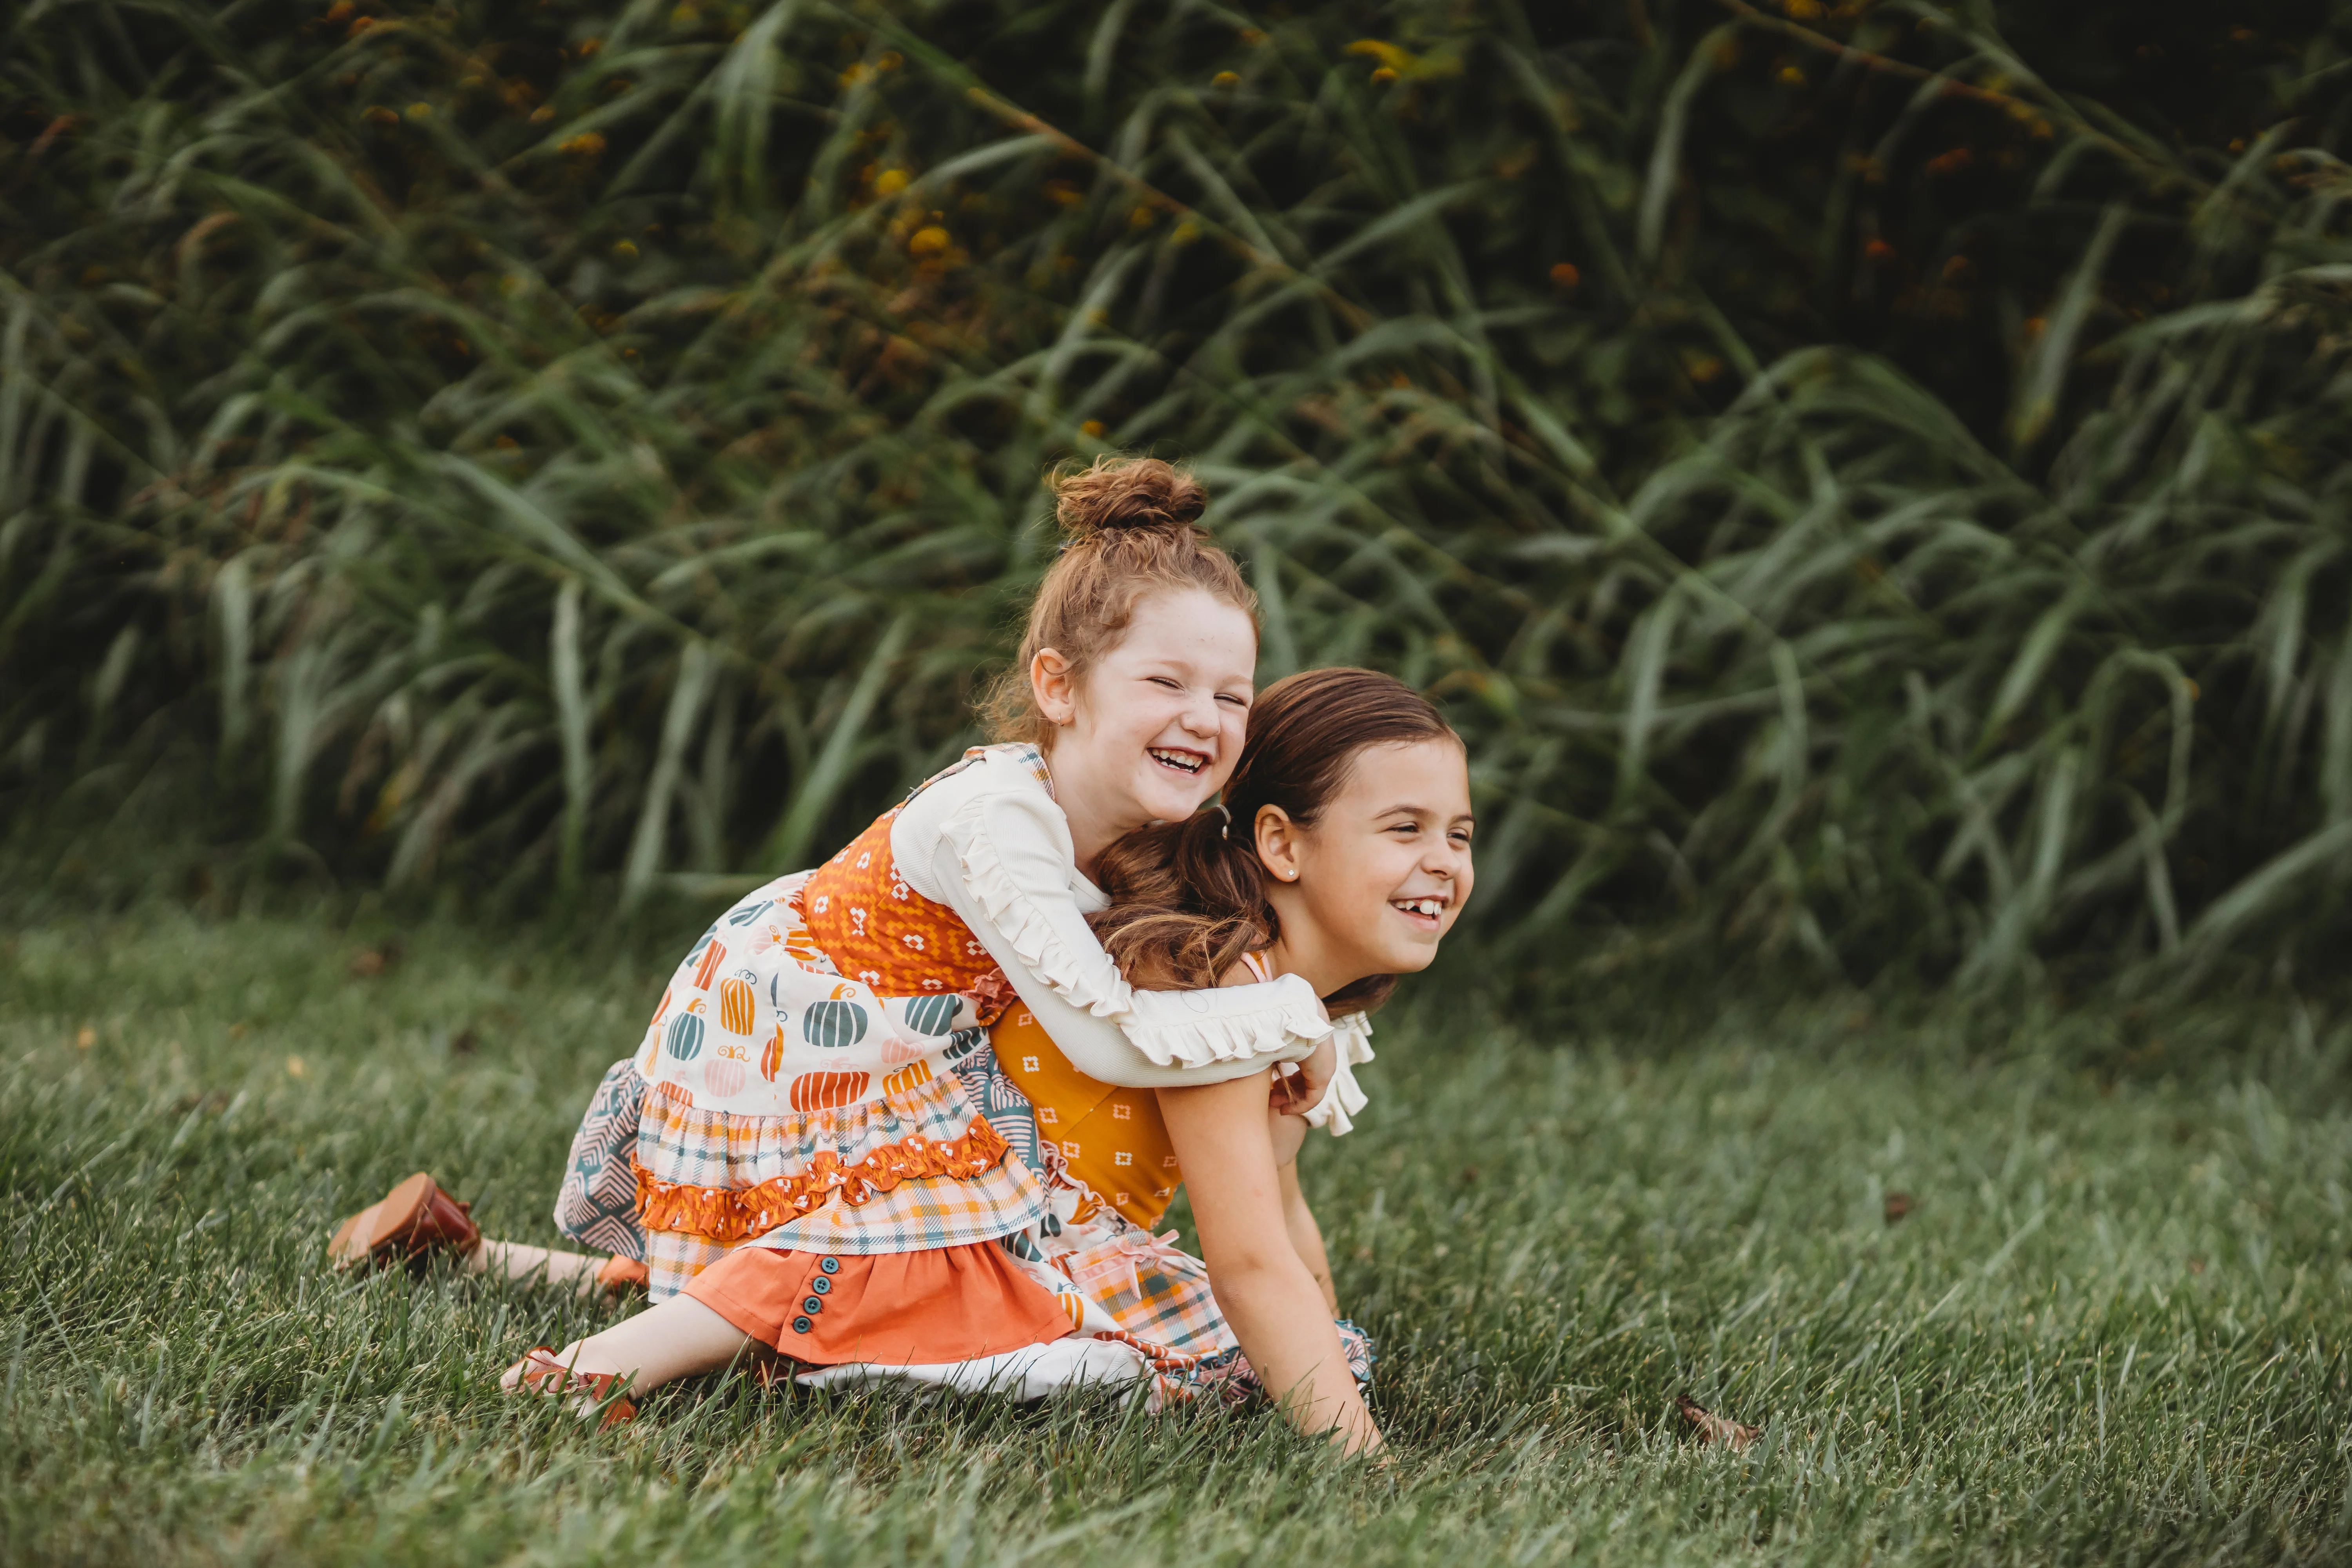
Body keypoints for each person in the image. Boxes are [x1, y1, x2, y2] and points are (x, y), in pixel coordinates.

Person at [326, 464, 1348, 1368]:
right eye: (1166, 682)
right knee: (892, 1247)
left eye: (1231, 697)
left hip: (921, 1046)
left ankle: (469, 1254)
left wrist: (1290, 1045)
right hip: (791, 1039)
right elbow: (1110, 1038)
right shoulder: (993, 820)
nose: (1203, 720)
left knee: (917, 1263)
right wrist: (1295, 1023)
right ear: (1059, 685)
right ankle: (577, 1375)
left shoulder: (1147, 825)